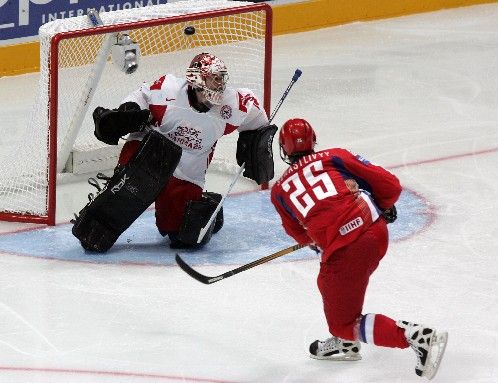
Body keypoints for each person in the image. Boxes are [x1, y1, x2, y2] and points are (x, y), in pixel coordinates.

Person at [270, 118, 448, 380]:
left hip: (349, 249)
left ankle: (416, 337)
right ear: (314, 140)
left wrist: (320, 237)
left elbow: (299, 234)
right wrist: (382, 205)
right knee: (329, 284)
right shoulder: (335, 156)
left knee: (343, 322)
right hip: (375, 231)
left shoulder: (279, 192)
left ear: (283, 150)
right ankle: (346, 344)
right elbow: (390, 185)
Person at [71, 53, 276, 252]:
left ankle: (209, 206)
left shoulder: (234, 104)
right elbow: (140, 96)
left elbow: (258, 120)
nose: (218, 86)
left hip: (188, 170)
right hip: (150, 154)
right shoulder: (168, 90)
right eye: (212, 80)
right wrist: (127, 112)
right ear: (196, 80)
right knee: (130, 189)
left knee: (184, 236)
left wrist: (258, 145)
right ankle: (106, 208)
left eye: (220, 80)